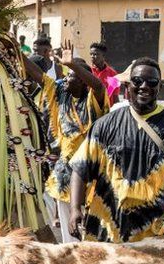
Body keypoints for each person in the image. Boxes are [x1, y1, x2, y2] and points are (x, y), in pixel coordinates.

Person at [68, 57, 164, 243]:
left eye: (152, 82)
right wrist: (75, 208)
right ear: (127, 85)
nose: (144, 86)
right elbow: (80, 168)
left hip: (157, 240)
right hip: (108, 234)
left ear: (159, 87)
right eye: (137, 81)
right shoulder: (105, 125)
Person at [23, 50, 109, 243]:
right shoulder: (61, 95)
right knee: (68, 235)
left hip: (91, 173)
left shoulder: (92, 100)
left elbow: (99, 85)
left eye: (71, 76)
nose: (65, 79)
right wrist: (13, 49)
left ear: (82, 81)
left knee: (90, 231)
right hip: (65, 174)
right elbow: (39, 75)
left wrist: (72, 65)